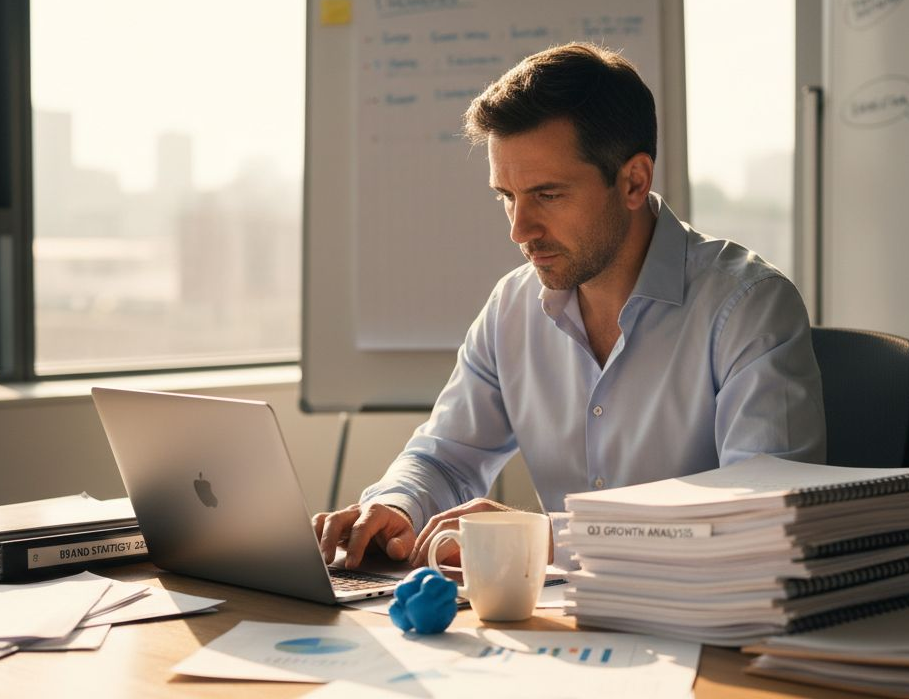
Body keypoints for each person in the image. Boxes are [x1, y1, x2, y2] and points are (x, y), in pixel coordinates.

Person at [315, 42, 825, 570]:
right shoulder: (512, 307)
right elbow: (445, 458)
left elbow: (763, 513)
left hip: (703, 630)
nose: (520, 229)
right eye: (506, 197)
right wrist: (395, 503)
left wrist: (548, 537)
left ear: (633, 181)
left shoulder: (748, 307)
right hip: (562, 630)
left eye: (548, 195)